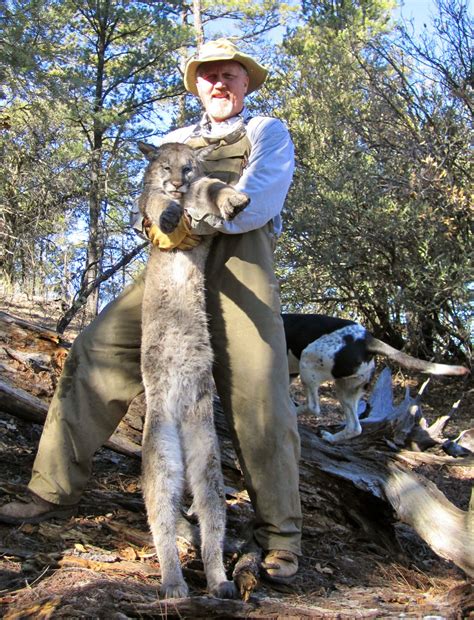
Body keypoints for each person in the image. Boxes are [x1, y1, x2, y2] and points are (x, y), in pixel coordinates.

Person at [0, 39, 302, 584]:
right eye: (208, 76)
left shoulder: (266, 133)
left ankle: (280, 537)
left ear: (245, 83)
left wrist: (185, 218)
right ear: (197, 85)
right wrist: (162, 226)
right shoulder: (176, 140)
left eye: (229, 75)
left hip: (240, 267)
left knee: (262, 391)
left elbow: (256, 201)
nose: (219, 84)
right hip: (171, 271)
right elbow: (148, 206)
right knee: (97, 348)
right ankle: (50, 488)